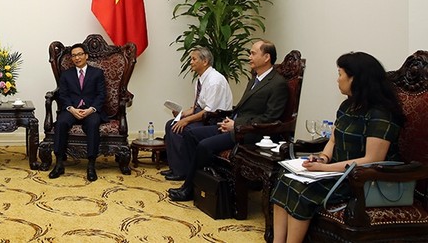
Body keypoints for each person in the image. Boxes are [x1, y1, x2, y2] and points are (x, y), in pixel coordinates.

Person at [271, 52, 404, 243]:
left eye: (340, 74)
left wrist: (325, 168)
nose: (337, 79)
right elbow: (333, 141)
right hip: (336, 172)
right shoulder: (347, 106)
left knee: (301, 190)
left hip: (363, 180)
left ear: (355, 78)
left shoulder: (380, 114)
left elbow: (372, 160)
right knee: (284, 179)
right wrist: (322, 158)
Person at [169, 39, 289, 201]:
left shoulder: (277, 84)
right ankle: (203, 183)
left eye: (253, 53)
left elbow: (270, 117)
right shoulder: (255, 78)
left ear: (266, 57)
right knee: (191, 134)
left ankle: (189, 188)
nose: (249, 57)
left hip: (250, 133)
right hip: (234, 125)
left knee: (204, 145)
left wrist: (236, 125)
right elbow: (243, 108)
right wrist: (230, 120)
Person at [161, 46, 232, 181]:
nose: (191, 62)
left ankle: (183, 171)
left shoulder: (214, 80)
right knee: (170, 124)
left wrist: (186, 120)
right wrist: (181, 114)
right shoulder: (200, 79)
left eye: (194, 59)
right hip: (203, 116)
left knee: (181, 128)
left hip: (214, 120)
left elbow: (209, 111)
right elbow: (196, 107)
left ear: (204, 62)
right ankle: (175, 168)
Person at [48, 43, 107, 182]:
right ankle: (59, 164)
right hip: (72, 109)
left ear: (86, 56)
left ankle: (91, 165)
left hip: (91, 110)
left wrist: (91, 110)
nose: (77, 58)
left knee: (93, 124)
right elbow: (63, 95)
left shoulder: (97, 73)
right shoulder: (66, 75)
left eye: (80, 54)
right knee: (61, 123)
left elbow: (101, 95)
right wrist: (71, 109)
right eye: (74, 55)